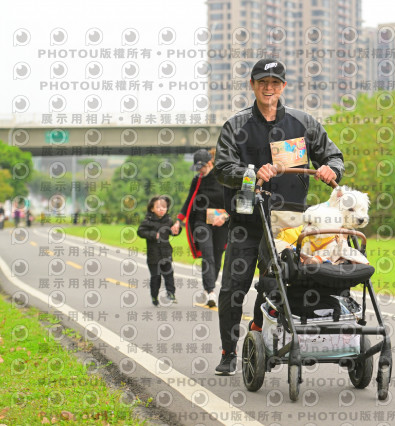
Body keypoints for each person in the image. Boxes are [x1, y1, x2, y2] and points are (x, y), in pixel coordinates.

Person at [213, 58, 344, 375]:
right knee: (233, 288)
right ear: (252, 85)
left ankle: (257, 333)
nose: (268, 87)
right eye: (262, 82)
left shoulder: (304, 123)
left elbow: (333, 156)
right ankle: (228, 352)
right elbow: (222, 168)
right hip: (246, 221)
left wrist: (331, 169)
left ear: (283, 86)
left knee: (275, 284)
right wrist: (251, 173)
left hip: (288, 222)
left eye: (274, 82)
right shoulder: (236, 125)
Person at [172, 148, 229, 308]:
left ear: (210, 163)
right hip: (201, 222)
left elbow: (233, 201)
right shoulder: (197, 180)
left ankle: (208, 287)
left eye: (201, 167)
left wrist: (225, 216)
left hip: (221, 222)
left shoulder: (223, 178)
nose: (199, 171)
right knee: (207, 254)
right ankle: (211, 291)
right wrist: (178, 220)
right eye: (197, 168)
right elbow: (189, 200)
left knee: (217, 256)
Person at [137, 196, 181, 306]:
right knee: (156, 277)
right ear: (152, 209)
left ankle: (171, 293)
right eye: (158, 207)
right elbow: (140, 232)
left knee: (169, 274)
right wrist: (153, 235)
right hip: (153, 255)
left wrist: (177, 230)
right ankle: (154, 296)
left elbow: (173, 232)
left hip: (166, 253)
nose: (161, 209)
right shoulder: (148, 221)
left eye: (164, 207)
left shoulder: (168, 221)